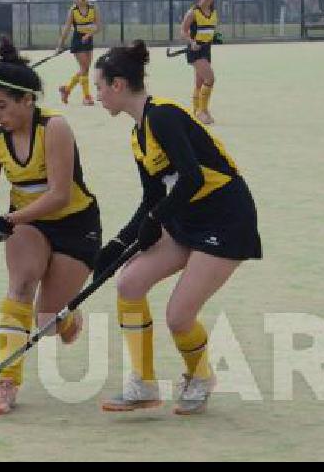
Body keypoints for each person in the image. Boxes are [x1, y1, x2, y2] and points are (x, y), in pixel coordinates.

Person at [92, 40, 261, 415]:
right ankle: (143, 384)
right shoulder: (138, 136)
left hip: (226, 218)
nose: (98, 95)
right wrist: (117, 244)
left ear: (118, 85)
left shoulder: (163, 116)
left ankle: (200, 377)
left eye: (100, 87)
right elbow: (152, 199)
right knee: (128, 282)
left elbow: (193, 177)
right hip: (187, 216)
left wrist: (156, 221)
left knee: (179, 315)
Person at [0, 37, 102, 415]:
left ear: (28, 100)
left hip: (76, 225)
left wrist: (8, 220)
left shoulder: (55, 128)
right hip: (30, 226)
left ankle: (65, 317)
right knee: (20, 285)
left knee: (48, 321)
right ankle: (6, 383)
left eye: (2, 106)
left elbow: (59, 195)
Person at [56, 0, 101, 106]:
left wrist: (89, 34)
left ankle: (66, 89)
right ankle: (87, 97)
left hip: (88, 40)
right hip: (78, 41)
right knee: (84, 68)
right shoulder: (73, 10)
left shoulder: (93, 8)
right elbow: (66, 28)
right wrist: (60, 45)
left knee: (84, 69)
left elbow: (98, 27)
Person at [180, 0, 218, 124]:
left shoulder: (214, 12)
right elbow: (183, 31)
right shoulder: (193, 13)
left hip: (206, 50)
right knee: (210, 79)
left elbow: (210, 30)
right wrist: (191, 42)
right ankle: (203, 111)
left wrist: (216, 37)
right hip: (195, 51)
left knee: (199, 83)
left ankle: (197, 111)